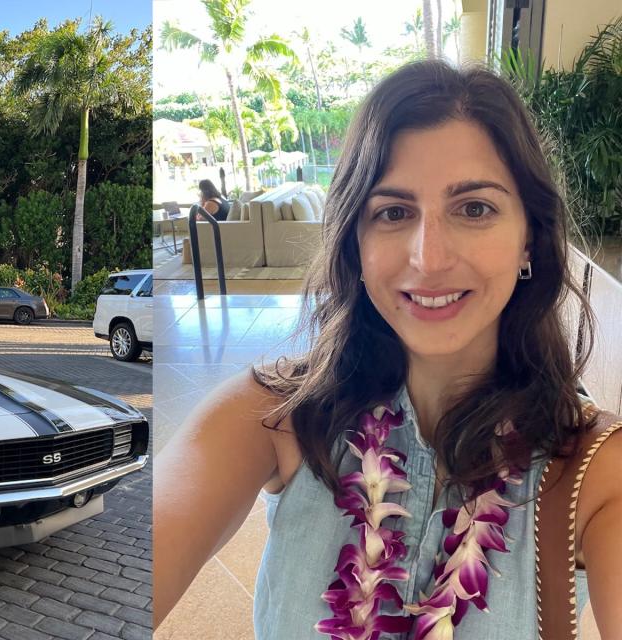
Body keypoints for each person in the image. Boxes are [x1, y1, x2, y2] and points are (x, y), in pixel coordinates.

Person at [154, 60, 622, 638]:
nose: (429, 258)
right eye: (394, 213)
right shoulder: (270, 418)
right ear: (357, 239)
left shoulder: (597, 474)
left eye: (474, 208)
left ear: (529, 236)